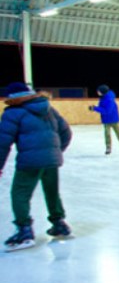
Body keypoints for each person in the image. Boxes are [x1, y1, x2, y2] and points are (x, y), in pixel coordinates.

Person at [0, 83, 72, 251]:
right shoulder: (49, 109)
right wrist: (55, 152)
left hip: (30, 162)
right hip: (51, 160)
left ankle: (24, 231)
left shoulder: (13, 113)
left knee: (20, 193)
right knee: (52, 191)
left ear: (14, 99)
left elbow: (2, 143)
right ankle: (59, 223)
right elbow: (66, 132)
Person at [90, 85, 119, 155]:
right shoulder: (103, 97)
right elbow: (101, 107)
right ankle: (108, 147)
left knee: (118, 133)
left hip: (113, 119)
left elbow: (107, 111)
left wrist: (95, 108)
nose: (97, 92)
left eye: (98, 91)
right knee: (107, 134)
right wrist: (94, 108)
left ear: (103, 92)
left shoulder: (109, 99)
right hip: (106, 119)